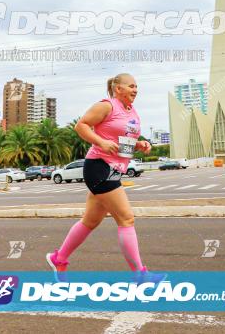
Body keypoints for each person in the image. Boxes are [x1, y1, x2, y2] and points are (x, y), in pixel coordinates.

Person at [46, 73, 161, 280]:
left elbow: (120, 139)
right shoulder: (107, 105)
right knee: (126, 218)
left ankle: (59, 258)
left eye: (137, 86)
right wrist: (100, 142)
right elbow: (80, 125)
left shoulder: (131, 111)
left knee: (90, 221)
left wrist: (139, 144)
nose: (135, 90)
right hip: (98, 167)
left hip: (114, 168)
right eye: (131, 86)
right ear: (118, 89)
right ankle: (141, 276)